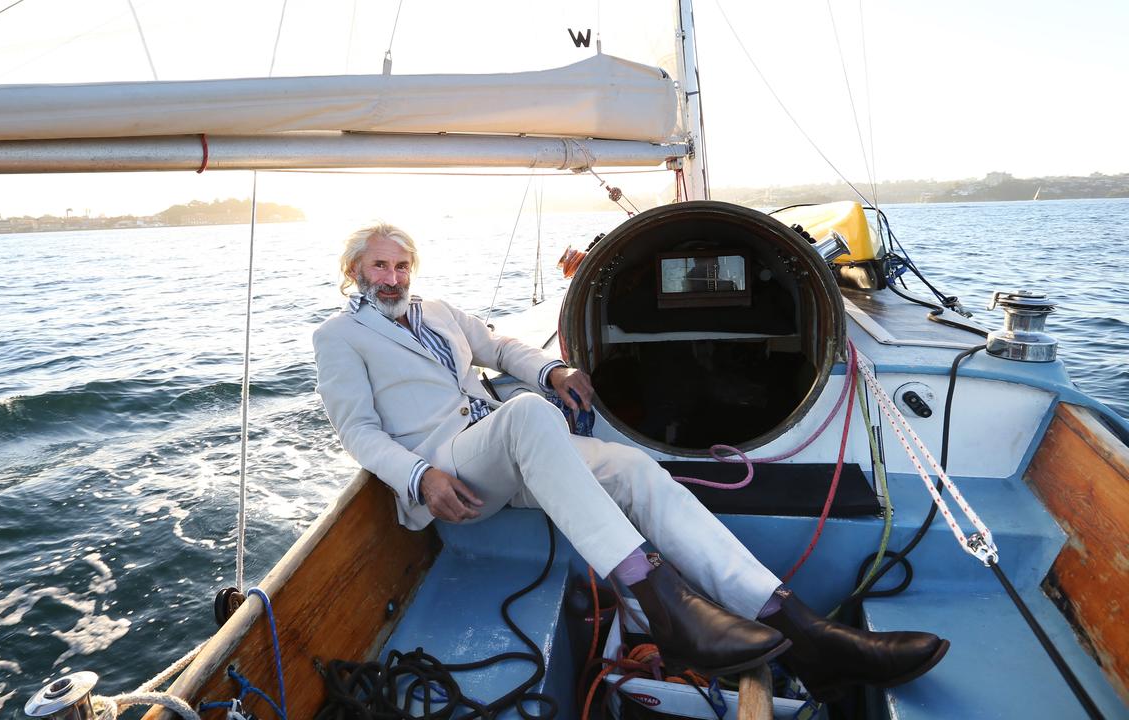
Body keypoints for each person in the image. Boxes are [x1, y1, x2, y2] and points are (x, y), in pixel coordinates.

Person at [312, 222, 949, 700]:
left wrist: (554, 366)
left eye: (400, 266)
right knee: (530, 415)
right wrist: (418, 477)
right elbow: (358, 432)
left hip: (506, 449)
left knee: (639, 470)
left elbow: (503, 349)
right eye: (379, 266)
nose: (392, 278)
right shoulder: (338, 337)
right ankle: (665, 605)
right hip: (451, 471)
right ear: (353, 271)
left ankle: (800, 626)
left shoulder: (439, 312)